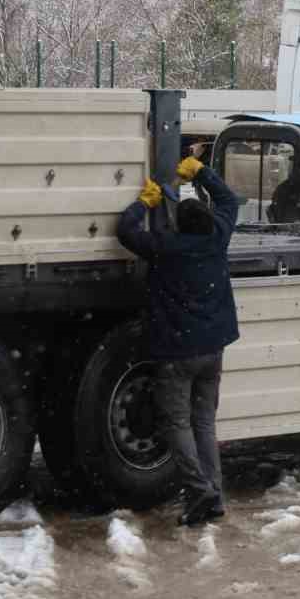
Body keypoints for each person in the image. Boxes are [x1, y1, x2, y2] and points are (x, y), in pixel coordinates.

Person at [116, 156, 241, 526]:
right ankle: (213, 494)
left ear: (178, 225)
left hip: (177, 352)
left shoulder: (166, 248)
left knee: (177, 424)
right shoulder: (218, 236)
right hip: (212, 350)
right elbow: (229, 201)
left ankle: (199, 491)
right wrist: (202, 172)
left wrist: (144, 203)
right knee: (204, 422)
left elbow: (126, 231)